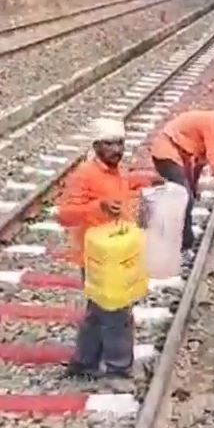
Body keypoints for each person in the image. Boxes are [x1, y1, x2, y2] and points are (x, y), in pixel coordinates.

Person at [57, 118, 160, 380]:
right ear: (96, 145)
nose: (117, 149)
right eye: (110, 143)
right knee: (117, 314)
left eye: (120, 143)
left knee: (98, 311)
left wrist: (146, 180)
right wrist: (97, 208)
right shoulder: (84, 175)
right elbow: (65, 215)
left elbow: (124, 187)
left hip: (117, 253)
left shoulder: (116, 171)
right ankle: (118, 370)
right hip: (96, 258)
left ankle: (83, 363)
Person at [149, 101, 214, 251]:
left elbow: (199, 163)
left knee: (187, 195)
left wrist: (193, 186)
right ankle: (181, 244)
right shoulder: (212, 123)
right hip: (166, 152)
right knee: (183, 197)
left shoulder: (210, 123)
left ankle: (179, 239)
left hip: (176, 155)